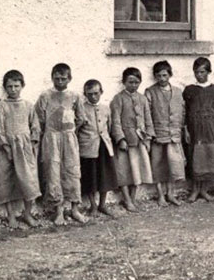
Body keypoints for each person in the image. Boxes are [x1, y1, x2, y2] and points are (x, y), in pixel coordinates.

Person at [35, 63, 88, 225]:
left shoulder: (74, 96)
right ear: (52, 78)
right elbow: (39, 119)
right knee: (54, 172)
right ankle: (58, 211)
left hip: (69, 139)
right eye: (56, 78)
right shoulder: (45, 96)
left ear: (69, 79)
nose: (59, 82)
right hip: (51, 139)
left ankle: (74, 209)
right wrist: (50, 133)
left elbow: (81, 118)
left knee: (72, 171)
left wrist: (70, 131)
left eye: (63, 78)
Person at [0, 70, 41, 229]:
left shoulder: (28, 105)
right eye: (9, 86)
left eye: (16, 86)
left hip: (25, 148)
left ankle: (27, 213)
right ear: (5, 88)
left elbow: (35, 126)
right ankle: (11, 215)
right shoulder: (2, 105)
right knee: (6, 180)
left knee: (29, 180)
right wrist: (6, 147)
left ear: (22, 86)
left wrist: (32, 144)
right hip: (7, 148)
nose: (13, 89)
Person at [183, 57, 214, 202]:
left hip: (211, 128)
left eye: (203, 72)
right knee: (195, 156)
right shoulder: (189, 90)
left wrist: (211, 123)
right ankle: (194, 190)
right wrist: (186, 128)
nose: (200, 75)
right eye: (197, 72)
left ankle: (204, 190)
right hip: (195, 128)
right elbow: (186, 111)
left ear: (209, 72)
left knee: (208, 155)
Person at [110, 67, 154, 211]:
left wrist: (147, 138)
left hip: (139, 140)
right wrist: (120, 139)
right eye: (130, 82)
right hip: (125, 141)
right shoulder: (118, 99)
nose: (133, 85)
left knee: (138, 169)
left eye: (136, 82)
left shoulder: (142, 99)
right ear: (124, 82)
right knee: (123, 170)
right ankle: (126, 199)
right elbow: (115, 121)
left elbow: (148, 119)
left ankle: (133, 197)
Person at [145, 61, 187, 207]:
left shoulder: (177, 92)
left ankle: (171, 193)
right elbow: (147, 114)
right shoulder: (150, 92)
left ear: (170, 75)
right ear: (155, 77)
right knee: (158, 165)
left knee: (172, 165)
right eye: (158, 76)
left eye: (164, 75)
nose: (162, 79)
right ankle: (160, 195)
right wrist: (151, 133)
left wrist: (182, 129)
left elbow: (182, 111)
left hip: (174, 134)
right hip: (158, 134)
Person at [79, 79, 118, 217]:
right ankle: (93, 205)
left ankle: (102, 204)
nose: (93, 97)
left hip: (104, 147)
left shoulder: (106, 109)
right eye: (89, 94)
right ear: (85, 94)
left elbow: (110, 127)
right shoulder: (81, 109)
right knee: (90, 177)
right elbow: (77, 129)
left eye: (96, 93)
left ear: (101, 92)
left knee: (104, 176)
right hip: (88, 148)